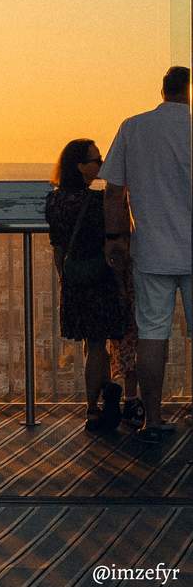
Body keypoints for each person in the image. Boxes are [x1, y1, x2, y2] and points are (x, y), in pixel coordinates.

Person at [100, 66, 191, 444]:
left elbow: (113, 191)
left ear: (163, 89)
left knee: (152, 336)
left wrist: (115, 239)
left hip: (152, 249)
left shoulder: (133, 127)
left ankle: (152, 417)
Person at [45, 139, 130, 432]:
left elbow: (57, 246)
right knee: (97, 346)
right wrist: (120, 283)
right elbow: (112, 243)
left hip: (73, 279)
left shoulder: (54, 200)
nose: (101, 164)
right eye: (96, 160)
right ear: (80, 167)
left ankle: (99, 400)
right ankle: (94, 408)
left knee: (89, 344)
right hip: (99, 278)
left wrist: (64, 277)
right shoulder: (96, 201)